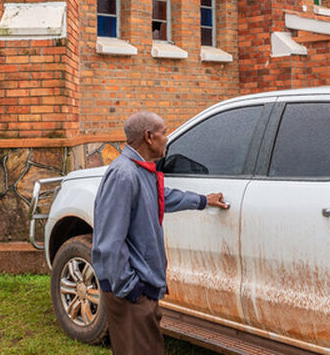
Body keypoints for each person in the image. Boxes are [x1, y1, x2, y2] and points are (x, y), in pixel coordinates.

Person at [92, 111, 228, 355]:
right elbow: (109, 243)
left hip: (140, 292)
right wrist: (131, 289)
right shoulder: (124, 175)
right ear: (148, 137)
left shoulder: (140, 171)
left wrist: (203, 200)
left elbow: (161, 197)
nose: (168, 138)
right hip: (131, 295)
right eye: (164, 132)